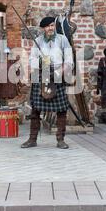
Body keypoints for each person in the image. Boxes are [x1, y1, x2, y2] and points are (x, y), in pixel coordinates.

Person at [21, 16, 73, 149]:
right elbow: (32, 60)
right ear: (43, 28)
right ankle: (32, 140)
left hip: (58, 74)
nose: (50, 28)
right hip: (41, 74)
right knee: (35, 110)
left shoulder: (62, 39)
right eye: (48, 26)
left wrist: (58, 72)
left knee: (61, 110)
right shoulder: (37, 41)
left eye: (52, 25)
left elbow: (68, 60)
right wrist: (40, 62)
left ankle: (60, 140)